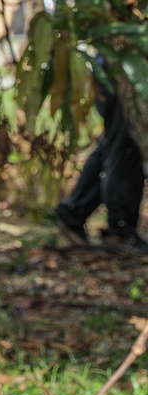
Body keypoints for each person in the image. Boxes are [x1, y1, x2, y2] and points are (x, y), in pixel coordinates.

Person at [54, 63, 147, 256]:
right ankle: (120, 232)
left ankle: (75, 212)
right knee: (126, 147)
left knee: (115, 145)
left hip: (118, 72)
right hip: (122, 73)